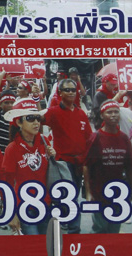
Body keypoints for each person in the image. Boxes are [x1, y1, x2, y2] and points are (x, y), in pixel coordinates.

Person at [42, 79, 93, 233]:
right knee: (69, 196)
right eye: (67, 90)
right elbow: (36, 125)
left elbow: (89, 138)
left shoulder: (81, 113)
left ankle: (67, 222)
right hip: (63, 162)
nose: (71, 92)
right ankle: (73, 228)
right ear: (60, 93)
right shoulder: (53, 112)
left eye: (73, 89)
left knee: (74, 194)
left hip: (79, 162)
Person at [2, 98, 54, 235]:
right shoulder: (12, 149)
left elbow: (52, 171)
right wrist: (12, 213)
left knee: (46, 246)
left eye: (38, 118)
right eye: (30, 118)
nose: (36, 122)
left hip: (46, 203)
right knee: (33, 247)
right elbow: (7, 183)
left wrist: (54, 156)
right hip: (24, 207)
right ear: (19, 122)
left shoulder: (45, 141)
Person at [84, 100, 132, 234]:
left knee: (115, 227)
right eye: (109, 112)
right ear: (102, 115)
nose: (113, 115)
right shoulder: (95, 138)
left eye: (116, 112)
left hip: (119, 191)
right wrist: (89, 192)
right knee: (100, 228)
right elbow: (86, 166)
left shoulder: (124, 138)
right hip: (99, 190)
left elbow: (130, 166)